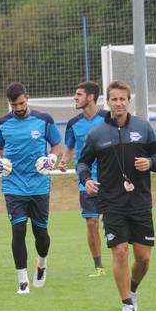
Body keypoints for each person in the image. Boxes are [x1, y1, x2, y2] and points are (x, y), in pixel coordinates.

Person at [76, 80, 156, 311]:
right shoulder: (97, 133)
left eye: (122, 99)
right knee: (120, 252)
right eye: (114, 99)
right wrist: (86, 180)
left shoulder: (143, 128)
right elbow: (83, 162)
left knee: (144, 258)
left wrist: (151, 162)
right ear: (107, 102)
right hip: (112, 202)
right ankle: (126, 302)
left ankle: (133, 288)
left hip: (140, 201)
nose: (118, 103)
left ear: (128, 101)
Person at [0, 82, 66, 294]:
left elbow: (57, 146)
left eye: (22, 103)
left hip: (39, 184)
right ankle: (22, 281)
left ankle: (41, 263)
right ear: (10, 103)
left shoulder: (44, 120)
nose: (19, 108)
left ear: (28, 98)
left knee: (41, 233)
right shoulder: (2, 123)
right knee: (18, 229)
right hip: (13, 185)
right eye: (14, 105)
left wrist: (51, 158)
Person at [64, 80, 107, 277]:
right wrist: (64, 160)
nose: (75, 97)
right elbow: (71, 147)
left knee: (116, 221)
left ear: (91, 97)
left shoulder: (109, 119)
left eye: (79, 94)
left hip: (111, 178)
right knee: (91, 222)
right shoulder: (73, 124)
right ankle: (98, 266)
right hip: (87, 179)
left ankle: (121, 256)